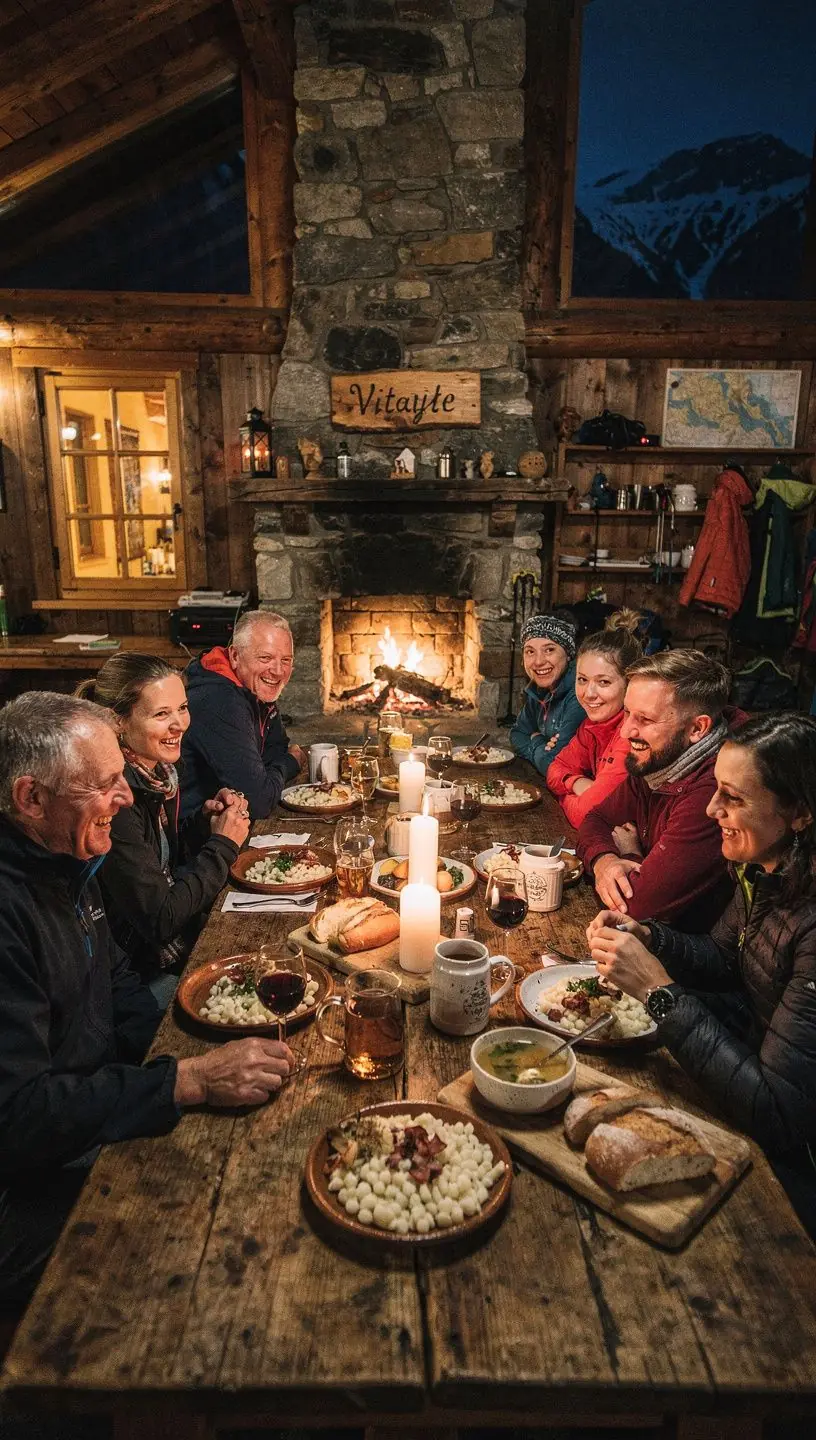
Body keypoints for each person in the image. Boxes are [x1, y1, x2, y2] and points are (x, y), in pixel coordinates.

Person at [0, 692, 293, 1307]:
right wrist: (185, 1080)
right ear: (31, 798)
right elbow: (20, 1119)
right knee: (225, 1242)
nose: (128, 798)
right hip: (22, 1192)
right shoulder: (11, 910)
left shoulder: (66, 861)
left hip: (83, 1108)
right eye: (104, 784)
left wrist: (199, 1033)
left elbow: (116, 989)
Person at [586, 713, 816, 1239]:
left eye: (732, 798)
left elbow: (778, 1115)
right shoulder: (767, 868)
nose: (713, 810)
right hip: (744, 1065)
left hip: (795, 1170)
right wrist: (650, 937)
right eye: (715, 790)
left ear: (799, 812)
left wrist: (655, 991)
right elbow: (723, 956)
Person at [77, 655, 250, 1007]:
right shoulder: (115, 797)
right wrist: (222, 846)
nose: (179, 725)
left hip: (159, 949)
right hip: (135, 976)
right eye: (161, 714)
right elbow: (160, 917)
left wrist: (205, 824)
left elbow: (163, 862)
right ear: (118, 721)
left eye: (182, 708)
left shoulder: (159, 774)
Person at [577, 649, 739, 929]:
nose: (626, 731)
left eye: (646, 720)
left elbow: (637, 906)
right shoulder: (658, 760)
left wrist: (630, 854)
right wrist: (605, 861)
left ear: (698, 729)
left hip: (693, 953)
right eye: (628, 713)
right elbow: (595, 819)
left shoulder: (716, 791)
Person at [181, 610, 306, 821]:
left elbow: (275, 749)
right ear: (235, 656)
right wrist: (291, 762)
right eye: (265, 658)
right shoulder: (220, 700)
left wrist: (271, 771)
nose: (277, 671)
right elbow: (257, 802)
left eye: (286, 660)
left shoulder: (253, 684)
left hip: (230, 823)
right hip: (197, 837)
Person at [547, 612, 642, 827]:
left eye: (604, 682)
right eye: (582, 680)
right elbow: (554, 769)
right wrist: (577, 782)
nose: (589, 693)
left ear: (630, 683)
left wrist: (564, 795)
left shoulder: (632, 735)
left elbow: (588, 815)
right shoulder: (591, 725)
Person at [509, 614, 585, 777]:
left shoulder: (579, 693)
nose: (538, 662)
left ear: (568, 654)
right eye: (530, 651)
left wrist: (536, 740)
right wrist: (543, 748)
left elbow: (555, 764)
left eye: (549, 650)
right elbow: (517, 734)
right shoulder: (538, 688)